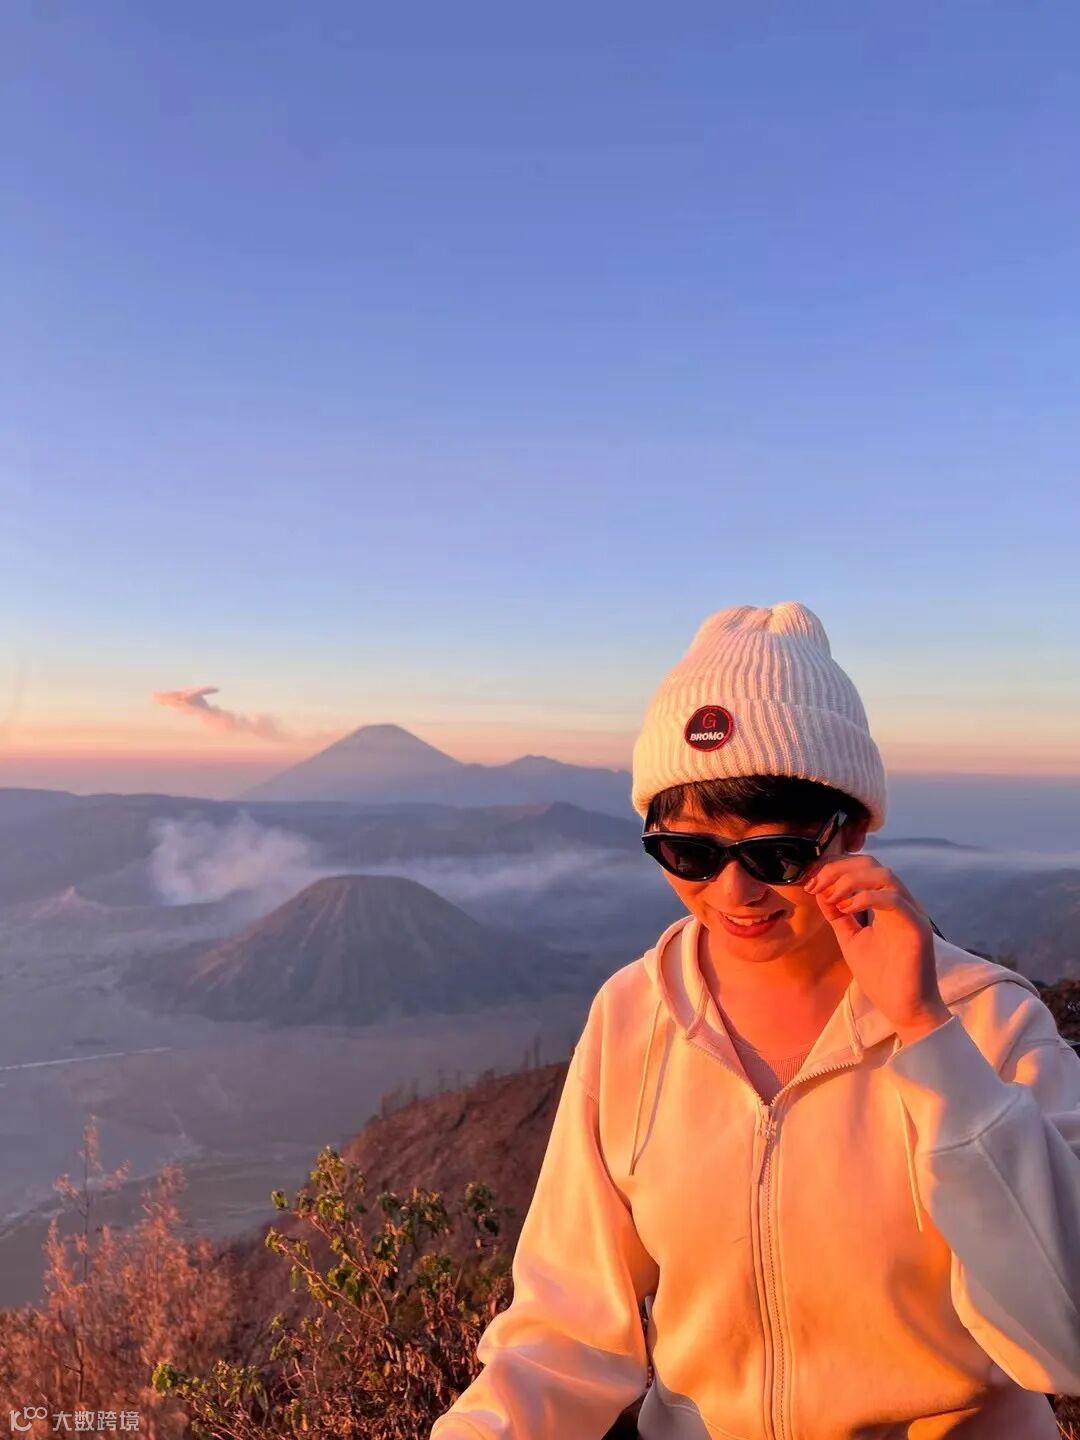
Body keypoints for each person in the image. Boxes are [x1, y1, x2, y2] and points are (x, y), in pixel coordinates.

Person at [431, 602, 1080, 1439]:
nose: (733, 894)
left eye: (777, 855)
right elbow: (565, 1330)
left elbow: (1064, 1336)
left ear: (853, 830)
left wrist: (928, 1035)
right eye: (690, 853)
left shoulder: (987, 1022)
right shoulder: (633, 1017)